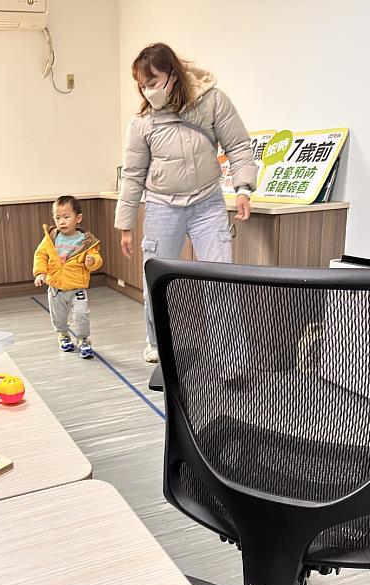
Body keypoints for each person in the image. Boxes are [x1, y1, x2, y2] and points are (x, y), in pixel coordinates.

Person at [115, 42, 257, 363]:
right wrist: (125, 224)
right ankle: (156, 342)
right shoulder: (142, 124)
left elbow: (238, 145)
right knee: (156, 277)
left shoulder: (212, 101)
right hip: (162, 206)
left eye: (153, 83)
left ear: (173, 76)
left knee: (222, 280)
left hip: (207, 204)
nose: (147, 91)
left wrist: (244, 187)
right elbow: (134, 175)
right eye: (142, 85)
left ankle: (231, 356)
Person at [33, 195, 103, 359]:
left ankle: (83, 340)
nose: (62, 221)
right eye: (57, 218)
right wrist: (40, 273)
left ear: (78, 218)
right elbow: (40, 255)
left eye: (66, 217)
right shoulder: (51, 238)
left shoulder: (86, 241)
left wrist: (92, 261)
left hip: (77, 287)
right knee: (58, 317)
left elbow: (97, 259)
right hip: (56, 288)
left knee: (81, 315)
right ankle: (63, 335)